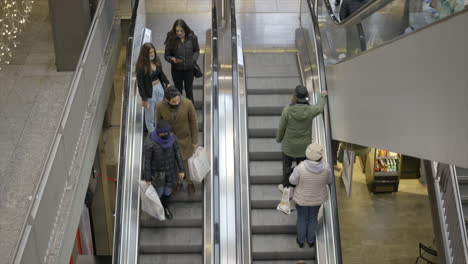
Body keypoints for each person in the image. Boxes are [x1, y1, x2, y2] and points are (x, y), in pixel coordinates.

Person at [276, 85, 328, 191]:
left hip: (288, 145)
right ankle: (298, 184)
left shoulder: (287, 110)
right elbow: (320, 107)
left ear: (294, 96)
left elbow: (281, 127)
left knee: (286, 166)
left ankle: (286, 186)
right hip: (304, 147)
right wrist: (322, 95)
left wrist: (279, 139)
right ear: (306, 96)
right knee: (301, 166)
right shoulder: (311, 110)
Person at [289, 143, 332, 248]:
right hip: (317, 199)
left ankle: (300, 240)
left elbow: (292, 181)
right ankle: (311, 240)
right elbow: (329, 181)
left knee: (302, 218)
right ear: (320, 156)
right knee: (313, 218)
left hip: (301, 199)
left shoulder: (300, 167)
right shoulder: (326, 168)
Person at [157, 87, 199, 194]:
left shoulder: (188, 103)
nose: (176, 102)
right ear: (167, 100)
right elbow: (158, 124)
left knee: (187, 163)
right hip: (170, 141)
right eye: (174, 101)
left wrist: (194, 141)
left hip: (185, 139)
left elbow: (194, 122)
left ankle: (190, 183)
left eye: (178, 100)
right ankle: (179, 182)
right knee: (174, 163)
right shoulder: (160, 107)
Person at [143, 120, 185, 220]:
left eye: (166, 133)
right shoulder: (150, 142)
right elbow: (147, 161)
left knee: (167, 192)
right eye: (161, 133)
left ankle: (165, 206)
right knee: (159, 192)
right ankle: (159, 208)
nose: (164, 135)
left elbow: (177, 153)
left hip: (171, 171)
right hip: (157, 174)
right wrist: (147, 177)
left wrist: (181, 169)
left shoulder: (172, 138)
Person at [137, 42, 170, 133]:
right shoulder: (141, 66)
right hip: (149, 92)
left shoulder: (156, 61)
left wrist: (167, 82)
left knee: (159, 110)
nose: (152, 54)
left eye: (153, 52)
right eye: (149, 53)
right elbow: (140, 84)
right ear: (145, 54)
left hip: (159, 88)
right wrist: (144, 99)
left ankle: (159, 129)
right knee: (150, 113)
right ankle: (152, 133)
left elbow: (161, 74)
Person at [164, 19, 200, 103]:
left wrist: (193, 59)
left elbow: (196, 50)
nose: (179, 33)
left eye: (181, 31)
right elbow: (166, 55)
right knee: (178, 92)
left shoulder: (192, 37)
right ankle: (179, 111)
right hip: (176, 70)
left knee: (189, 91)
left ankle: (191, 112)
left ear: (185, 29)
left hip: (189, 70)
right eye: (177, 31)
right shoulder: (171, 38)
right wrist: (172, 59)